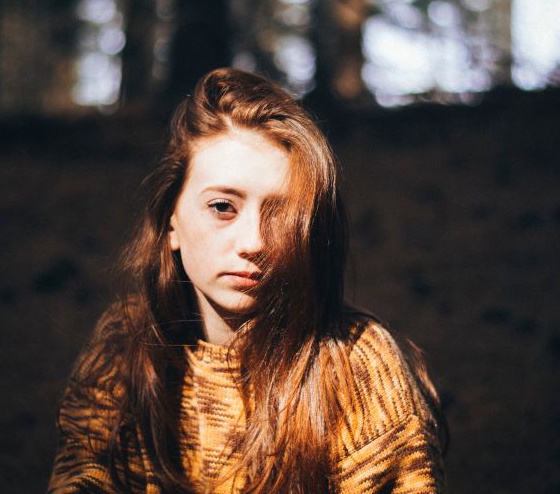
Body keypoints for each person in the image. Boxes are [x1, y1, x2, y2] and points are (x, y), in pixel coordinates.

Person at [47, 67, 446, 493]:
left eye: (281, 216)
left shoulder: (359, 365)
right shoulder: (123, 346)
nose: (255, 242)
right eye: (222, 207)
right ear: (171, 222)